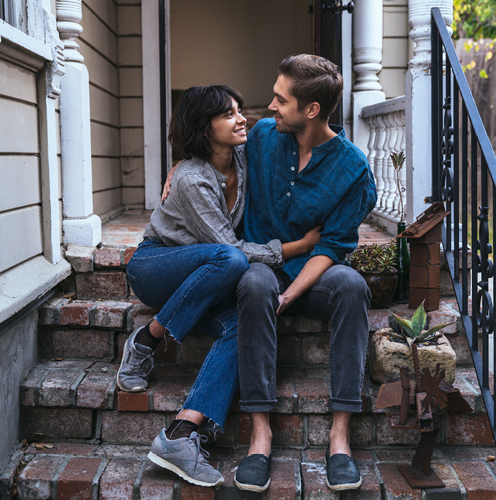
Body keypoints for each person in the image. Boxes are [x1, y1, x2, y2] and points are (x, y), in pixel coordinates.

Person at [117, 84, 321, 488]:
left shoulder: (243, 155)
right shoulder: (193, 179)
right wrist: (297, 247)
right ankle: (148, 338)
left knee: (244, 323)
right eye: (228, 114)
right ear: (203, 127)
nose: (241, 118)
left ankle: (182, 432)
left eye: (239, 109)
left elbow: (299, 127)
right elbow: (229, 248)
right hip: (157, 266)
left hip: (206, 278)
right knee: (231, 258)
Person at [233, 54, 377, 493]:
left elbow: (333, 246)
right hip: (263, 263)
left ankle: (339, 437)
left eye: (280, 100)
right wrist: (178, 168)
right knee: (254, 282)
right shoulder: (261, 137)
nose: (270, 107)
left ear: (311, 110)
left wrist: (292, 293)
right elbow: (215, 156)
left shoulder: (353, 169)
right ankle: (261, 434)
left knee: (352, 285)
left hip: (312, 275)